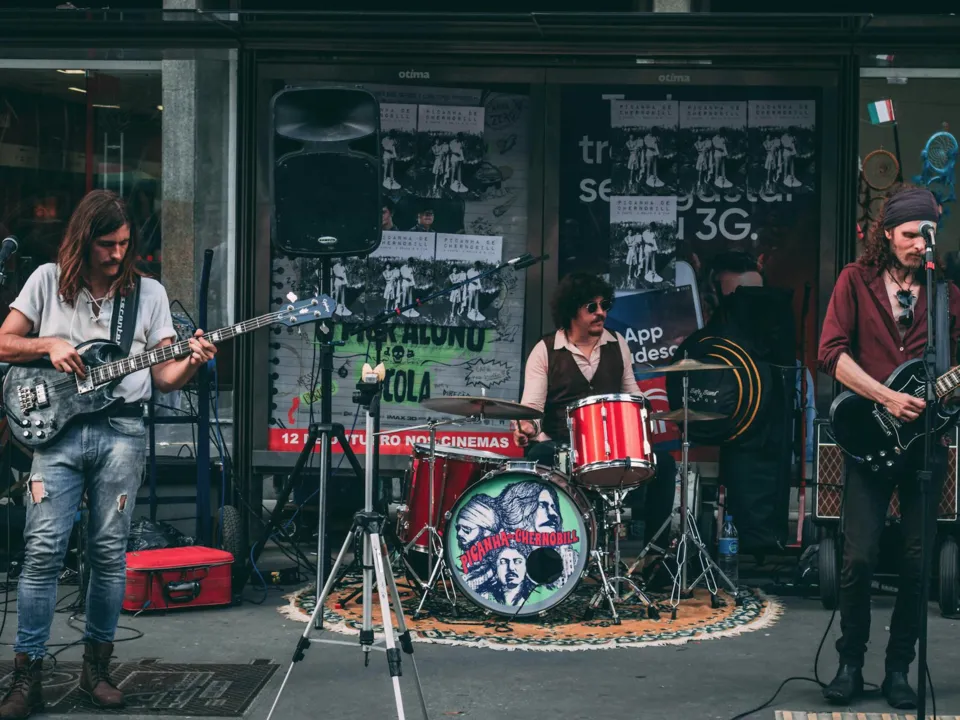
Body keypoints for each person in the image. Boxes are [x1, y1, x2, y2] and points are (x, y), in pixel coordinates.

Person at [0, 190, 217, 717]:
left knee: (109, 553)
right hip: (55, 434)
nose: (117, 254)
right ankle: (27, 673)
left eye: (123, 243)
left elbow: (163, 378)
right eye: (106, 244)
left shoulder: (149, 294)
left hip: (122, 432)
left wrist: (192, 361)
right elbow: (4, 342)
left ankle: (96, 668)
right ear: (83, 239)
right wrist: (48, 344)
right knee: (43, 550)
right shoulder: (47, 281)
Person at [817, 184, 960, 710]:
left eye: (928, 234)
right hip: (870, 439)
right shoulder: (855, 281)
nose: (921, 244)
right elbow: (830, 353)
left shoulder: (946, 294)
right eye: (911, 234)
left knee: (918, 564)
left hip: (925, 446)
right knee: (858, 557)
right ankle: (850, 664)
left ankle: (899, 668)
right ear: (888, 233)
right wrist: (886, 397)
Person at [513, 272, 675, 546]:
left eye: (605, 305)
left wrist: (643, 412)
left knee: (665, 464)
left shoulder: (617, 343)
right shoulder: (546, 349)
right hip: (561, 447)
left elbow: (631, 392)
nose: (601, 312)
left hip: (611, 448)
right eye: (592, 307)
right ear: (571, 310)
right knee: (539, 454)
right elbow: (533, 408)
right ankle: (547, 550)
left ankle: (655, 557)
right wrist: (527, 427)